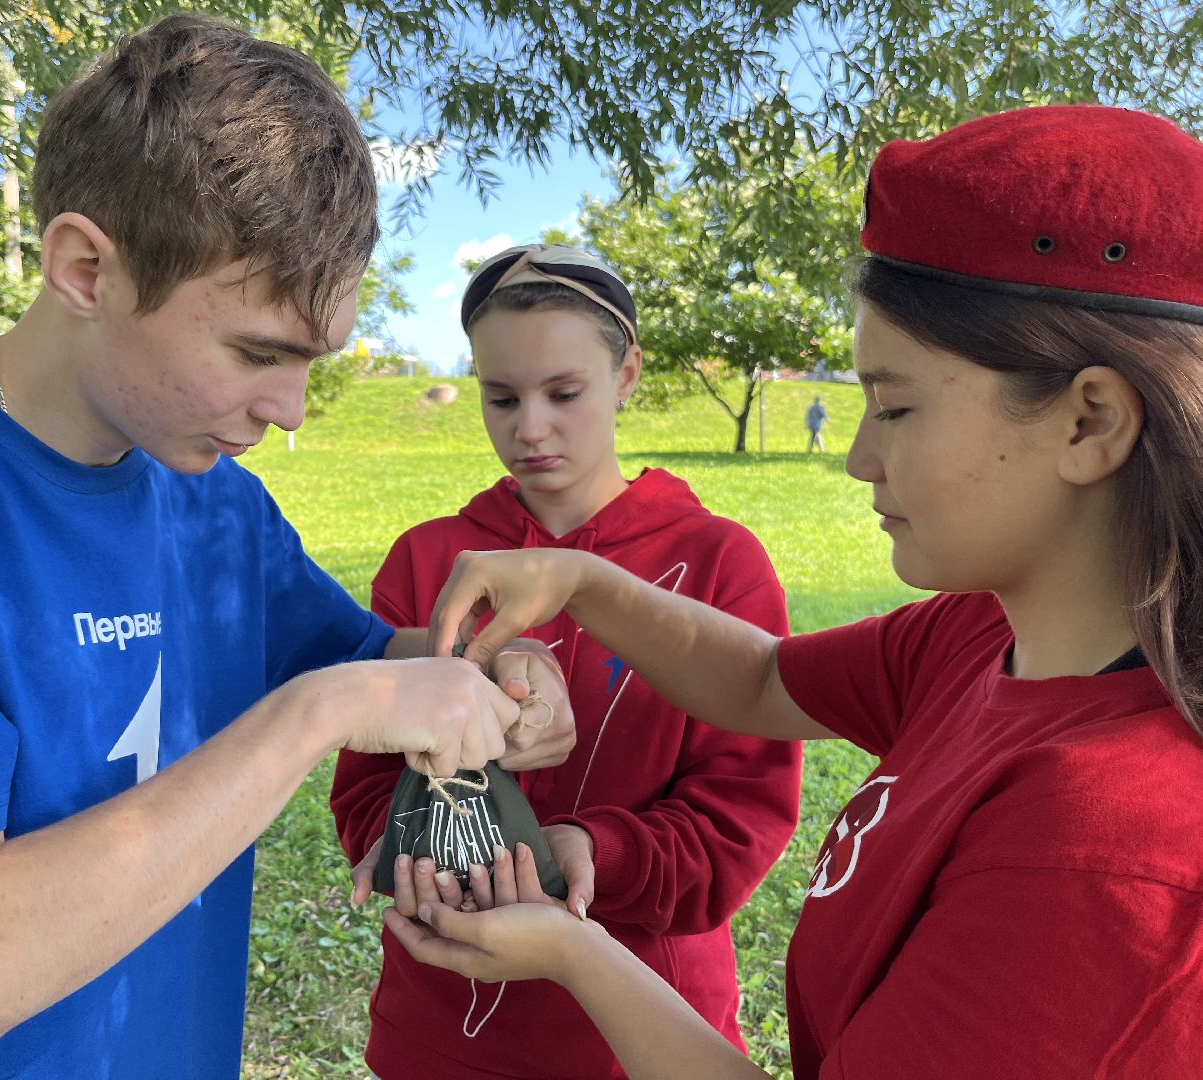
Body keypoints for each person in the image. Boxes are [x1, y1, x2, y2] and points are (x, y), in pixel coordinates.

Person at [0, 16, 571, 1079]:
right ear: (86, 269)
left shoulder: (214, 507)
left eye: (313, 361)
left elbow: (377, 659)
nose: (290, 412)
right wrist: (322, 711)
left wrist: (491, 670)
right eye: (256, 352)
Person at [385, 104, 1203, 1079]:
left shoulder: (1104, 849)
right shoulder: (978, 640)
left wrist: (571, 947)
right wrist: (579, 579)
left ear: (1090, 422)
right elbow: (762, 679)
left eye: (895, 406)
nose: (860, 456)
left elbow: (738, 787)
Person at [331, 244, 802, 1079]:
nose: (530, 428)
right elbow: (366, 778)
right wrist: (401, 846)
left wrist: (596, 849)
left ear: (626, 375)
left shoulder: (718, 564)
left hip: (643, 1028)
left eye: (563, 393)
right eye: (501, 397)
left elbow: (742, 814)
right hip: (442, 1024)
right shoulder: (427, 560)